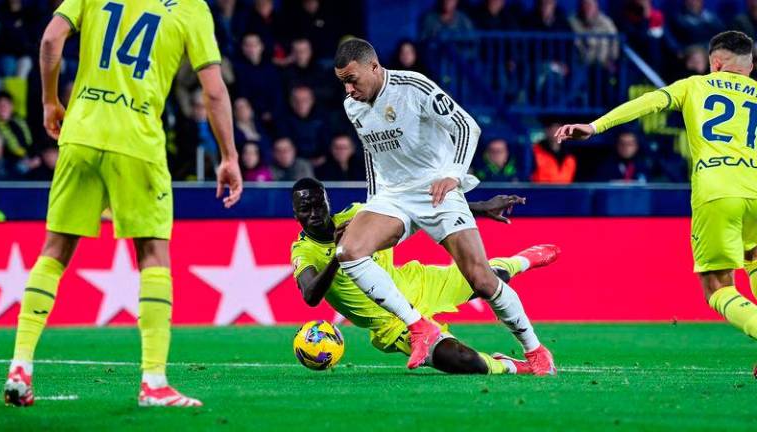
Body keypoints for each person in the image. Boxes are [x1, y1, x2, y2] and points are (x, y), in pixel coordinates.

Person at [4, 0, 243, 408]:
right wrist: (229, 156)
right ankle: (153, 382)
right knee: (153, 254)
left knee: (54, 250)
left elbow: (50, 39)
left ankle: (20, 367)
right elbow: (215, 91)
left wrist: (48, 100)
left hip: (80, 134)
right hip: (137, 142)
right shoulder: (191, 8)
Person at [333, 38, 556, 372]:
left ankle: (536, 352)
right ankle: (418, 325)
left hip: (437, 188)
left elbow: (468, 126)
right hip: (393, 196)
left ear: (374, 66)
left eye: (352, 79)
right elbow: (373, 156)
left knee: (480, 278)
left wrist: (453, 175)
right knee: (348, 251)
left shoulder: (413, 87)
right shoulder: (353, 106)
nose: (349, 89)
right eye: (342, 82)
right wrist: (371, 208)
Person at [556, 31, 757, 376]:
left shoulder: (695, 85)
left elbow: (647, 103)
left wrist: (595, 126)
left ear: (715, 63)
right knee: (752, 259)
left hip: (717, 189)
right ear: (750, 67)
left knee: (717, 286)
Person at [291, 178, 560, 375]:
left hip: (415, 284)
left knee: (486, 279)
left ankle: (521, 260)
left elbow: (419, 208)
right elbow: (310, 295)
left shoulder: (357, 215)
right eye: (306, 209)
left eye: (318, 205)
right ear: (295, 214)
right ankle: (510, 366)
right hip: (391, 325)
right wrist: (340, 255)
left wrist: (480, 207)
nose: (314, 214)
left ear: (327, 202)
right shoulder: (303, 250)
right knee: (463, 362)